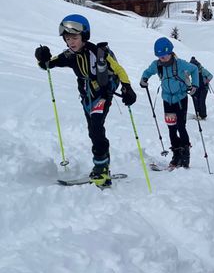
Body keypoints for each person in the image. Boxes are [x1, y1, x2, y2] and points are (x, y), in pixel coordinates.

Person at [35, 14, 137, 187]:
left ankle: (101, 169)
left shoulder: (98, 53)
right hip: (86, 97)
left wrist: (127, 88)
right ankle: (103, 164)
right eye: (67, 39)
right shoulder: (69, 55)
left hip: (102, 95)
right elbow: (48, 65)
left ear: (84, 36)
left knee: (97, 127)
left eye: (74, 37)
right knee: (93, 131)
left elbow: (119, 69)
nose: (71, 42)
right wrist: (42, 58)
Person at [140, 38, 199, 169]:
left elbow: (194, 69)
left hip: (181, 99)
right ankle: (176, 154)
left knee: (181, 126)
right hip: (167, 100)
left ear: (171, 52)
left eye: (165, 55)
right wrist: (144, 79)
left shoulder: (181, 64)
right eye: (160, 56)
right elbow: (148, 72)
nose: (163, 58)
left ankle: (185, 155)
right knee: (171, 128)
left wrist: (195, 85)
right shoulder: (157, 65)